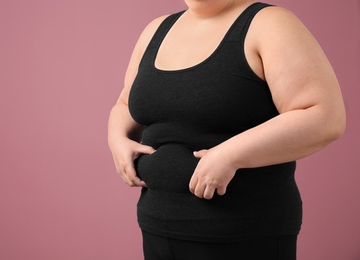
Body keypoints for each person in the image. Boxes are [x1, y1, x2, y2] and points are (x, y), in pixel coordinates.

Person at [108, 0, 346, 259]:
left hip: (244, 232)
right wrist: (116, 138)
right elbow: (125, 103)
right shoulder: (156, 30)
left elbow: (324, 116)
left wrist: (230, 155)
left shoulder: (269, 24)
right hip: (157, 226)